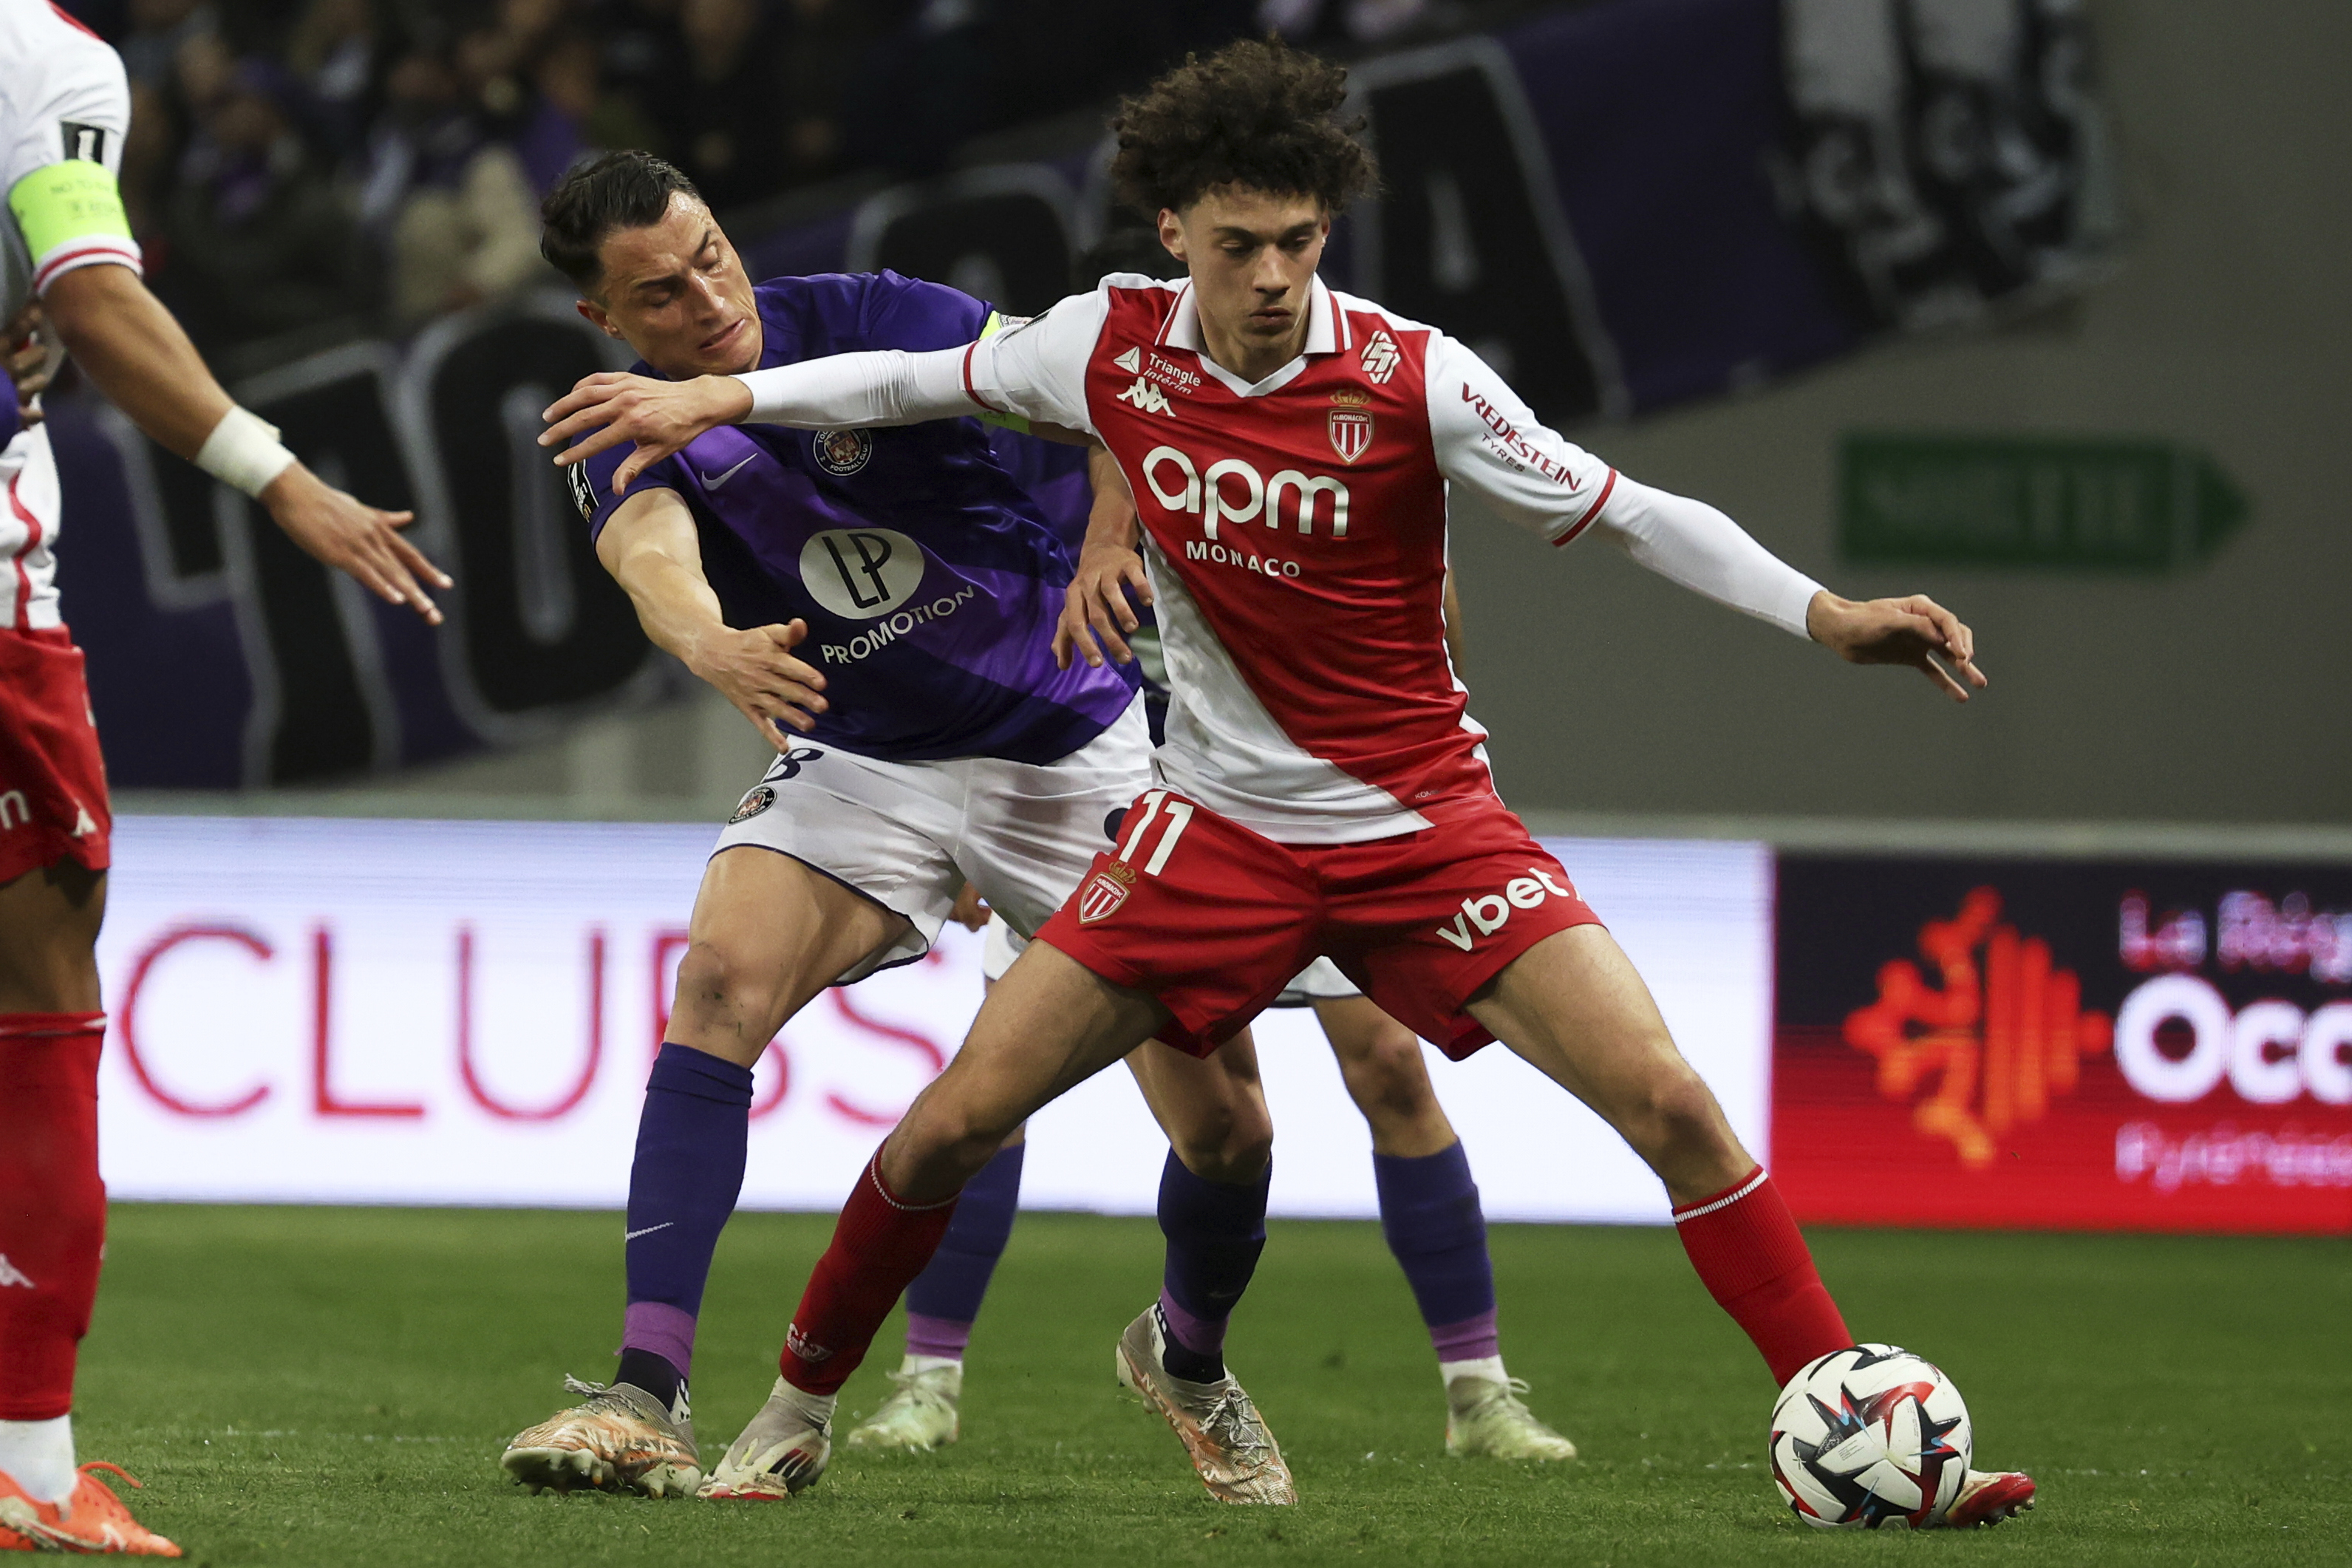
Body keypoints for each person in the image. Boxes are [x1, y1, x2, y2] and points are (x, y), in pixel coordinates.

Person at [539, 39, 2034, 1528]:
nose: (1270, 275)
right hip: (1208, 834)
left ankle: (1851, 1422)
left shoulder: (1413, 373)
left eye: (1299, 242)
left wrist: (1823, 612)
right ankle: (787, 1405)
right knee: (945, 1120)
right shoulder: (1109, 342)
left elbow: (1627, 510)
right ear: (1175, 231)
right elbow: (905, 387)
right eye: (1238, 243)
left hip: (1421, 828)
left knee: (1660, 1104)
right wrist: (713, 410)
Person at [497, 149, 1294, 1504]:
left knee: (1227, 1131)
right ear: (605, 320)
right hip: (866, 756)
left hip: (1066, 737)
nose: (708, 298)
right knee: (717, 982)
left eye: (711, 255)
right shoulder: (620, 417)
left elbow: (1109, 391)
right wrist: (707, 641)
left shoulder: (877, 312)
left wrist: (1114, 533)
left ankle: (1187, 1353)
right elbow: (650, 553)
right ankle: (643, 1393)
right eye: (661, 292)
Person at [849, 465, 1574, 1463]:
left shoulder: (1275, 461)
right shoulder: (1053, 478)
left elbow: (1425, 637)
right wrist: (978, 831)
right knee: (996, 1092)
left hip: (1287, 811)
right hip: (1093, 822)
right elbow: (996, 648)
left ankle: (1479, 1393)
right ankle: (928, 1384)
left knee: (1390, 1069)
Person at [0, 4, 447, 1554]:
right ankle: (31, 1463)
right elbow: (89, 290)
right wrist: (283, 474)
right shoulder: (43, 55)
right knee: (39, 989)